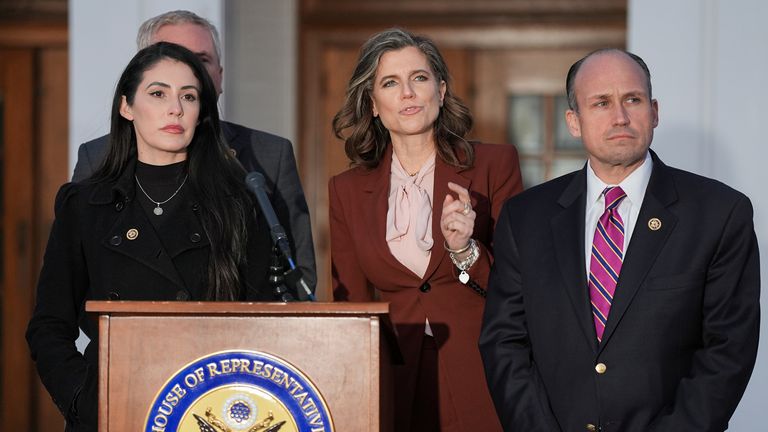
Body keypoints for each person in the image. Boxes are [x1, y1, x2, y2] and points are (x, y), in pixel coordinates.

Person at [479, 48, 760, 432]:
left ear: (655, 111)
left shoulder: (720, 213)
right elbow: (504, 343)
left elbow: (728, 352)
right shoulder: (525, 217)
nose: (620, 117)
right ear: (573, 122)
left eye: (633, 99)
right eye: (601, 103)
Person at [26, 42, 276, 432]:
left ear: (201, 113)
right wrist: (83, 398)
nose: (174, 108)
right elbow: (48, 325)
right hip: (113, 405)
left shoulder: (240, 203)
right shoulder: (84, 204)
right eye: (158, 93)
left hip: (207, 408)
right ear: (127, 106)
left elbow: (264, 321)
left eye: (188, 97)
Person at [329, 28, 523, 431]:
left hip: (482, 371)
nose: (408, 93)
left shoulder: (494, 165)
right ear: (373, 105)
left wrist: (465, 250)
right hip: (392, 378)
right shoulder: (346, 190)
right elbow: (350, 305)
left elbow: (518, 288)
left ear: (442, 89)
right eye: (390, 83)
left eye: (419, 78)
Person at [72, 10, 316, 294]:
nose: (188, 71)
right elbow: (73, 275)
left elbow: (297, 272)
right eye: (173, 57)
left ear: (220, 77)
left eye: (201, 60)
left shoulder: (269, 156)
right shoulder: (97, 156)